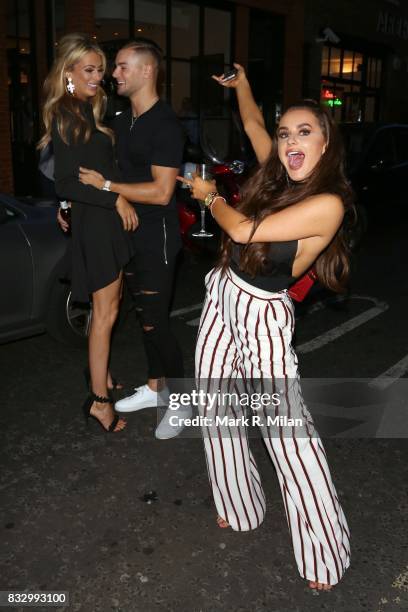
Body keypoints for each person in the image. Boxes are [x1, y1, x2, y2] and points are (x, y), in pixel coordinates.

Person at [178, 64, 352, 590]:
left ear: (326, 144)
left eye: (305, 132)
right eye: (286, 134)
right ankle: (240, 502)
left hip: (262, 313)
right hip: (222, 294)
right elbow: (253, 123)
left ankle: (325, 550)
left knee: (286, 434)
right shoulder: (277, 175)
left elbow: (244, 228)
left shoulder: (328, 203)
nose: (289, 142)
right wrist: (244, 87)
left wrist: (209, 196)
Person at [78, 39, 190, 439]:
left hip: (156, 236)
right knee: (143, 318)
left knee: (156, 321)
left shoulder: (165, 124)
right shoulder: (121, 121)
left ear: (147, 71)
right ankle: (156, 386)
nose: (114, 74)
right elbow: (90, 163)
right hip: (123, 233)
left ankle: (180, 400)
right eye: (116, 68)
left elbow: (162, 192)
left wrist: (109, 187)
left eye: (123, 67)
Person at [39, 33, 138, 433]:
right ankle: (100, 401)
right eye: (89, 70)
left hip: (97, 220)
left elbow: (74, 177)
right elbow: (66, 180)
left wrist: (72, 206)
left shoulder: (81, 111)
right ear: (68, 73)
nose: (98, 77)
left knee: (106, 311)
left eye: (100, 69)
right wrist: (114, 199)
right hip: (99, 222)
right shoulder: (67, 110)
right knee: (105, 313)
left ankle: (103, 374)